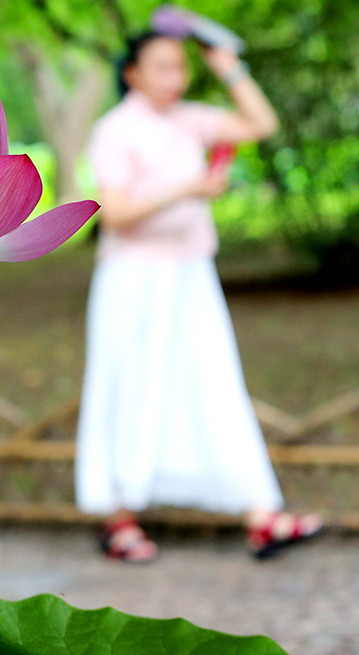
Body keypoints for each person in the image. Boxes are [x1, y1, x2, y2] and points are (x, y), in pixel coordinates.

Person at [76, 28, 322, 562]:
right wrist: (187, 188)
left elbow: (262, 123)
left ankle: (261, 514)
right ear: (132, 73)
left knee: (213, 384)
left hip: (191, 274)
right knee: (128, 388)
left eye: (181, 66)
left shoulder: (190, 119)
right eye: (162, 67)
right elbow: (114, 213)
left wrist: (227, 65)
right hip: (133, 280)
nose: (176, 78)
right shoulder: (114, 130)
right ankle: (118, 517)